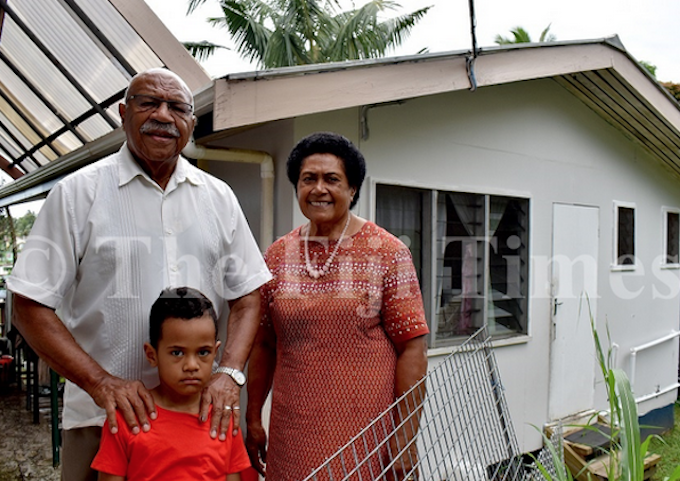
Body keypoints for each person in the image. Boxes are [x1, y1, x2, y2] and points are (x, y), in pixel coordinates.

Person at [7, 68, 271, 481]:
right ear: (123, 112)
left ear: (191, 123)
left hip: (201, 422)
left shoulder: (218, 198)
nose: (163, 115)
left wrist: (229, 374)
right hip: (102, 419)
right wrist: (101, 383)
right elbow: (28, 305)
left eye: (177, 107)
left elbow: (248, 297)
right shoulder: (78, 194)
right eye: (149, 102)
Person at [245, 132, 430, 481]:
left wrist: (405, 440)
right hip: (291, 434)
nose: (318, 189)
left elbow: (413, 348)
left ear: (353, 189)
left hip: (364, 434)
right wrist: (253, 416)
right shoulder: (277, 254)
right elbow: (264, 343)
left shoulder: (387, 252)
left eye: (332, 179)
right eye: (308, 179)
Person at [91, 287, 251, 480]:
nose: (191, 365)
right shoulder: (128, 418)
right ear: (152, 354)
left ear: (215, 352)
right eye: (177, 353)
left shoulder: (223, 418)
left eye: (203, 352)